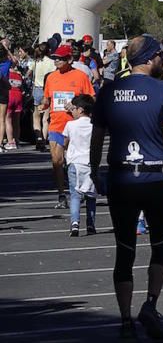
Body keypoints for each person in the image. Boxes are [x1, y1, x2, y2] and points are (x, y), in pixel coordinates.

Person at [90, 35, 163, 342]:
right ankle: (150, 303)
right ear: (148, 59)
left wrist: (94, 172)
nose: (162, 59)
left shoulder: (108, 91)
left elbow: (97, 137)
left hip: (121, 180)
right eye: (159, 54)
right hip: (156, 180)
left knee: (125, 250)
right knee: (160, 245)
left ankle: (125, 320)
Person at [42, 44, 95, 208]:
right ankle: (61, 195)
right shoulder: (51, 77)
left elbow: (91, 98)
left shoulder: (80, 76)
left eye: (60, 58)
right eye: (55, 58)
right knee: (57, 161)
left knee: (76, 161)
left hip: (75, 126)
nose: (56, 61)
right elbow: (47, 99)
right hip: (56, 125)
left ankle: (80, 189)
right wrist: (43, 105)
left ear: (69, 59)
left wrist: (75, 106)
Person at [63, 94, 97, 236]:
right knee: (91, 195)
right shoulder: (94, 125)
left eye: (74, 108)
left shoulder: (70, 125)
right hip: (90, 163)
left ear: (81, 110)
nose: (72, 111)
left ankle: (75, 222)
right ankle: (91, 224)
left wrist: (65, 150)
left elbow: (65, 142)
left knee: (75, 194)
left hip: (74, 163)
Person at [32, 43, 55, 150]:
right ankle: (44, 140)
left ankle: (38, 138)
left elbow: (30, 74)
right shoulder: (52, 62)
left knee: (36, 116)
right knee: (46, 118)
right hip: (47, 89)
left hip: (37, 89)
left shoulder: (36, 62)